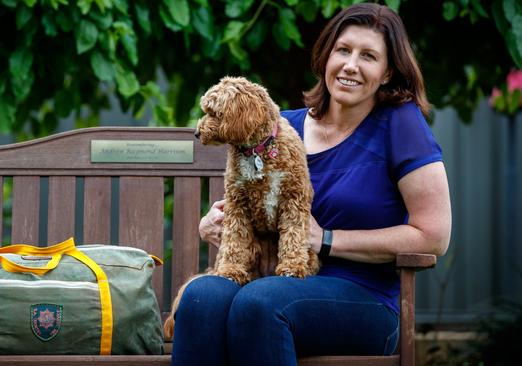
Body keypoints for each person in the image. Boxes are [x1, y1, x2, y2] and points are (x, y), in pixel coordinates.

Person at [170, 3, 452, 366]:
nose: (351, 65)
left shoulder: (401, 124)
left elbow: (434, 236)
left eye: (368, 56)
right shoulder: (278, 129)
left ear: (386, 73)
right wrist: (217, 224)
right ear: (326, 56)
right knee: (202, 297)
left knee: (260, 304)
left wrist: (326, 239)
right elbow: (247, 203)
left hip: (362, 296)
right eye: (343, 50)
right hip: (269, 278)